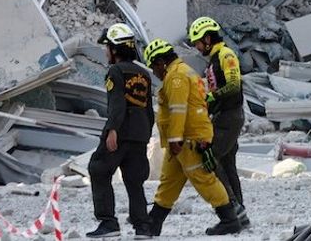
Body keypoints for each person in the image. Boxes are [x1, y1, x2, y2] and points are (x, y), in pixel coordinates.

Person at [141, 39, 241, 236]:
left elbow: (178, 109)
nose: (154, 72)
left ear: (161, 61)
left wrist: (175, 139)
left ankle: (229, 219)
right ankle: (154, 222)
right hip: (184, 138)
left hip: (189, 138)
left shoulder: (176, 76)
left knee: (203, 178)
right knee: (169, 181)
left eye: (154, 66)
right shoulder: (182, 71)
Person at [86, 24, 154, 239]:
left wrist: (112, 130)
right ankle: (142, 226)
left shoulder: (115, 71)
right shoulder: (144, 73)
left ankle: (108, 223)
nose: (105, 51)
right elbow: (149, 109)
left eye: (107, 47)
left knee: (98, 168)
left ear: (115, 49)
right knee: (134, 180)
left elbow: (117, 104)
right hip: (140, 134)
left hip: (121, 131)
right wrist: (145, 134)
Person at [187, 17, 249, 228]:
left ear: (207, 38)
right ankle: (240, 214)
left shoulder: (226, 55)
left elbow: (233, 85)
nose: (196, 47)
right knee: (227, 164)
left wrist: (212, 98)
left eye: (197, 42)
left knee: (210, 158)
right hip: (224, 116)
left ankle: (231, 208)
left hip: (230, 117)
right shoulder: (214, 60)